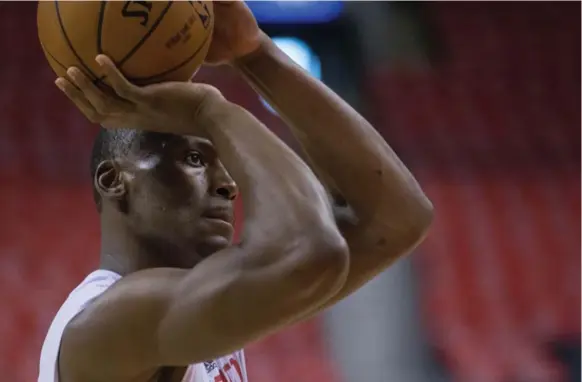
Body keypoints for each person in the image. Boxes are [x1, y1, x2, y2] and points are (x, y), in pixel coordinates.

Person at [38, 2, 433, 382]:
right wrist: (208, 111)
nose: (229, 185)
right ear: (114, 181)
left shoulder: (197, 302)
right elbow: (311, 250)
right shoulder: (104, 324)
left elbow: (397, 218)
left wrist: (255, 52)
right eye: (194, 158)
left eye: (225, 165)